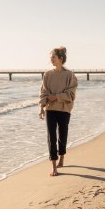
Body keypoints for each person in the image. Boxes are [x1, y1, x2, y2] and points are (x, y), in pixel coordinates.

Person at [39, 47, 78, 176]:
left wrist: (56, 97)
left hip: (64, 110)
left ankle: (62, 158)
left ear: (60, 59)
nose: (51, 59)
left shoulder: (69, 75)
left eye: (53, 57)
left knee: (62, 135)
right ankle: (54, 167)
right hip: (50, 109)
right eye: (51, 57)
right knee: (51, 137)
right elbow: (43, 92)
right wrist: (41, 108)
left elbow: (71, 94)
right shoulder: (47, 74)